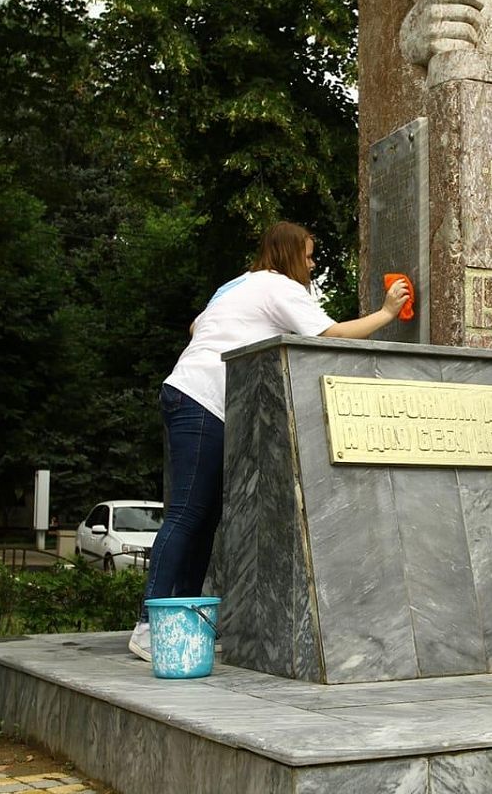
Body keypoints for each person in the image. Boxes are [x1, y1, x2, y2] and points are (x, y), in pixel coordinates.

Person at [129, 220, 410, 661]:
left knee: (202, 518)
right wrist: (387, 313)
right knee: (186, 515)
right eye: (310, 255)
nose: (313, 265)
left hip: (189, 394)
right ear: (289, 254)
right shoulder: (280, 287)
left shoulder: (237, 285)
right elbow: (330, 335)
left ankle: (178, 620)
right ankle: (149, 624)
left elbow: (194, 326)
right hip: (204, 397)